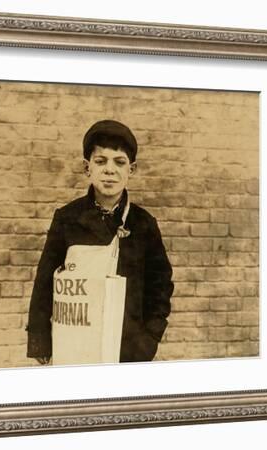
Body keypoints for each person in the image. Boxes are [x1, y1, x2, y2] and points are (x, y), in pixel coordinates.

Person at [26, 119, 174, 364]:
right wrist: (41, 339)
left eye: (119, 162)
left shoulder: (144, 224)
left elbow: (160, 287)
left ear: (131, 170)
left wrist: (147, 340)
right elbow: (44, 282)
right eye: (100, 161)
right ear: (87, 168)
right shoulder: (67, 218)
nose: (109, 170)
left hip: (126, 347)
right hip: (76, 342)